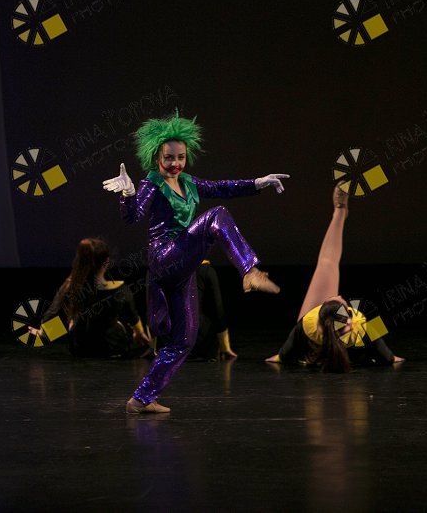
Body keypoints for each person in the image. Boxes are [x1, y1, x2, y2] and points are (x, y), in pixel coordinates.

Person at [103, 111, 288, 412]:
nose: (175, 164)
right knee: (216, 216)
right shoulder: (152, 182)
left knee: (184, 339)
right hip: (164, 256)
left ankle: (141, 399)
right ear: (156, 157)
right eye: (168, 158)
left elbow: (223, 187)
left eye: (180, 157)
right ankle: (249, 271)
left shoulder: (188, 182)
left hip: (183, 264)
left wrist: (258, 182)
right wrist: (128, 193)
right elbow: (132, 216)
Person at [265, 183, 403, 372]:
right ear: (348, 319)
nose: (337, 295)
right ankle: (340, 212)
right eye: (339, 300)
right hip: (341, 347)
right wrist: (391, 358)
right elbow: (380, 346)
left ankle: (339, 212)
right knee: (327, 263)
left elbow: (292, 342)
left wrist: (279, 357)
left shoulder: (310, 325)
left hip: (317, 348)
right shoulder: (358, 325)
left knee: (327, 263)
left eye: (335, 299)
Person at [36, 237, 151, 358]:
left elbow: (53, 314)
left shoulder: (70, 287)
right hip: (112, 346)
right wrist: (139, 333)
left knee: (72, 320)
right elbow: (132, 317)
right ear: (107, 261)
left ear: (79, 261)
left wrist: (44, 333)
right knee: (115, 323)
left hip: (80, 347)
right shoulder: (120, 289)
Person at [188, 260, 237, 361]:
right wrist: (225, 346)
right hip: (199, 341)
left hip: (171, 341)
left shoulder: (169, 268)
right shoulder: (206, 270)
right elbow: (218, 309)